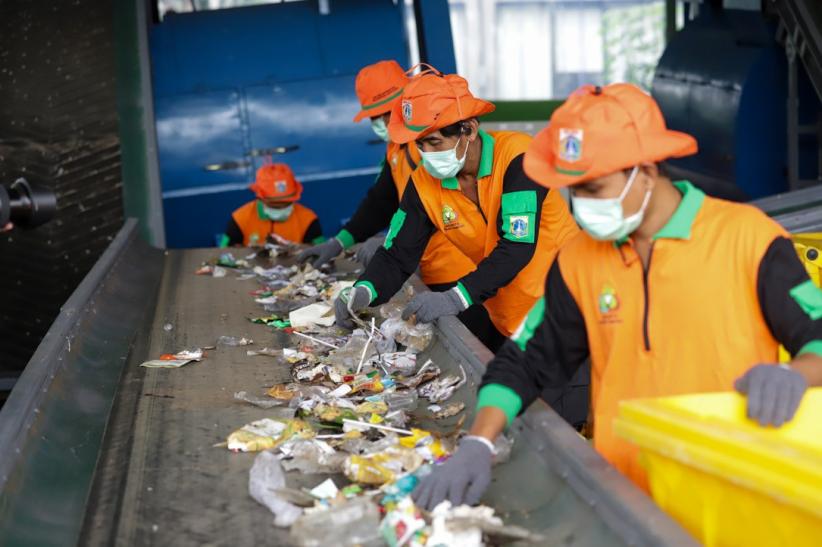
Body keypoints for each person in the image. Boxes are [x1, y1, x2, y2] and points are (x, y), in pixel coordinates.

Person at [411, 83, 822, 510]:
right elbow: (526, 360)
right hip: (622, 498)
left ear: (644, 172)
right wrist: (479, 441)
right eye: (575, 189)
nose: (583, 204)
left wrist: (798, 374)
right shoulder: (582, 259)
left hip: (726, 494)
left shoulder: (746, 239)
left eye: (595, 188)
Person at [334, 72, 579, 349]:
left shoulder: (518, 158)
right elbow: (397, 254)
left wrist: (455, 298)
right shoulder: (424, 183)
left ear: (470, 129)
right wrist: (364, 291)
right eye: (420, 144)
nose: (428, 154)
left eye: (435, 142)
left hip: (569, 310)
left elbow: (516, 244)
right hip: (512, 321)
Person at [297, 60, 475, 285]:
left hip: (460, 269)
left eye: (388, 113)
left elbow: (441, 205)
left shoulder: (429, 146)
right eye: (375, 116)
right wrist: (339, 242)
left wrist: (392, 241)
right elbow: (381, 202)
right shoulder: (395, 148)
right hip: (429, 266)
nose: (383, 121)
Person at [222, 162, 323, 246]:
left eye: (286, 204)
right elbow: (224, 254)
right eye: (274, 204)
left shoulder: (308, 220)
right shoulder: (240, 219)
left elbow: (321, 251)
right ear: (260, 197)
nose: (280, 208)